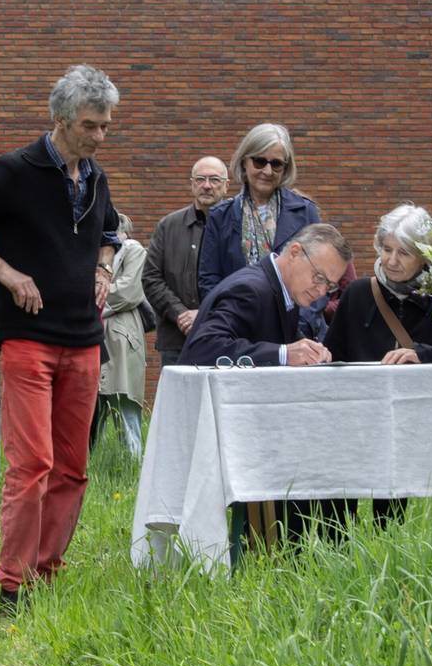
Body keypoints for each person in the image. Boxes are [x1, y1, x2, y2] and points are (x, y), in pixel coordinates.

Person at [0, 64, 120, 613]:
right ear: (60, 119)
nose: (99, 136)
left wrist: (104, 269)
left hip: (84, 340)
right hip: (28, 341)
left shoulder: (97, 176)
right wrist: (5, 272)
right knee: (32, 464)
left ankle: (48, 571)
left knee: (72, 467)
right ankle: (12, 586)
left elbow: (111, 229)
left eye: (106, 126)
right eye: (90, 125)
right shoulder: (13, 171)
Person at [180, 224, 353, 557]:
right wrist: (285, 354)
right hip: (213, 434)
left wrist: (306, 352)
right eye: (318, 277)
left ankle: (285, 557)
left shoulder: (276, 288)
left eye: (330, 286)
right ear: (294, 252)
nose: (321, 290)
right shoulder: (252, 288)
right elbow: (202, 348)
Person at [324, 204, 432, 524]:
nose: (391, 261)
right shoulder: (360, 292)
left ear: (424, 256)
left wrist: (423, 354)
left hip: (428, 416)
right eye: (386, 249)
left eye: (403, 253)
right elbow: (333, 353)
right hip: (365, 416)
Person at [197, 123, 320, 302]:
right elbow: (209, 280)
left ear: (285, 169)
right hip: (238, 322)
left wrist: (300, 326)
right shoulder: (220, 216)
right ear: (244, 162)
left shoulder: (306, 212)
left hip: (294, 324)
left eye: (276, 164)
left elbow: (318, 273)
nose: (267, 171)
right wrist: (229, 320)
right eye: (259, 162)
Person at [143, 156, 229, 367]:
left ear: (226, 186)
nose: (207, 186)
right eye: (200, 179)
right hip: (176, 340)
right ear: (192, 184)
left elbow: (243, 280)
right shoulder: (168, 226)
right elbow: (151, 278)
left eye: (214, 180)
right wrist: (180, 314)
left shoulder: (237, 227)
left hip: (226, 338)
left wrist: (204, 315)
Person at [98, 213, 147, 457]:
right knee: (90, 412)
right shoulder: (91, 252)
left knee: (125, 405)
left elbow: (129, 292)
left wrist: (90, 301)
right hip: (93, 336)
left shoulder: (133, 251)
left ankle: (132, 472)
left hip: (121, 337)